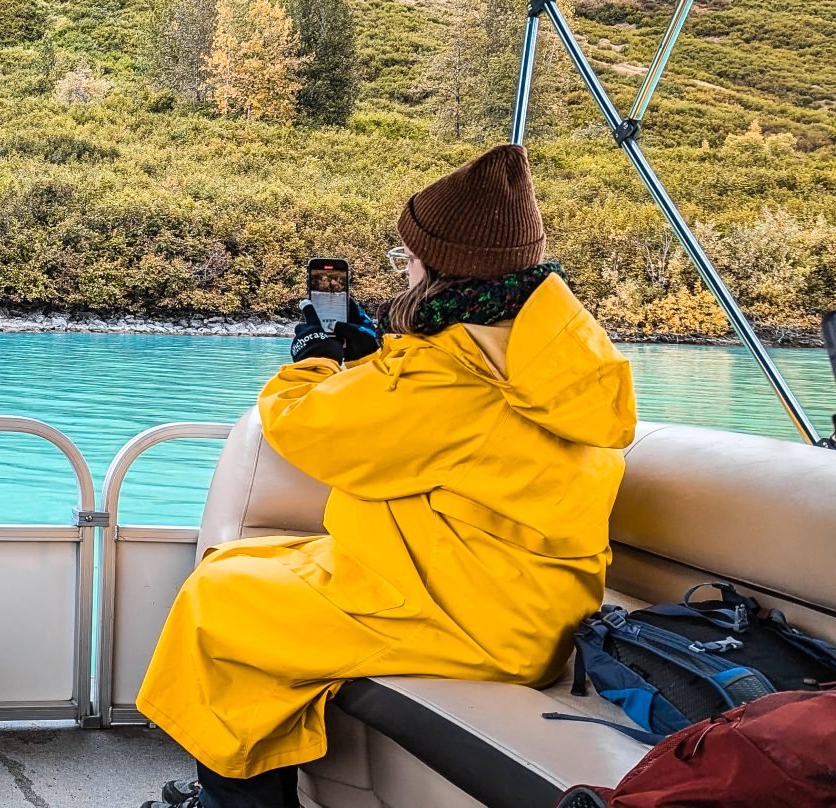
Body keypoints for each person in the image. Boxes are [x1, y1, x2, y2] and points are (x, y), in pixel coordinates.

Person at [138, 144, 636, 808]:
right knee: (249, 570)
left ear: (438, 265)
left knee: (217, 605)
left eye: (410, 257)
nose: (405, 269)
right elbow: (443, 423)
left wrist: (314, 356)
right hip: (518, 602)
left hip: (471, 621)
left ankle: (230, 804)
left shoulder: (449, 376)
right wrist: (378, 357)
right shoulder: (551, 352)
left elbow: (303, 429)